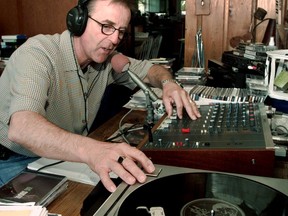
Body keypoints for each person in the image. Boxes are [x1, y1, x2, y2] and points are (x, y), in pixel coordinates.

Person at [0, 0, 201, 192]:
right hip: (15, 160)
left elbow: (151, 70)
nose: (114, 40)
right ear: (78, 20)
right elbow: (22, 128)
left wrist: (169, 84)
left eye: (120, 31)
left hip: (62, 157)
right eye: (106, 26)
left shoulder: (107, 60)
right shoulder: (37, 53)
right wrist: (93, 150)